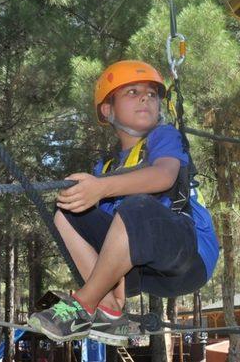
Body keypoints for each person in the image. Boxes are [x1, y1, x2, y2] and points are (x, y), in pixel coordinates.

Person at [28, 60, 219, 345]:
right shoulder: (103, 169)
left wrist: (101, 189)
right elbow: (111, 234)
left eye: (152, 94)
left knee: (136, 206)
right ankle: (109, 310)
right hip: (140, 271)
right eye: (132, 92)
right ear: (108, 110)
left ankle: (83, 305)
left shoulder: (164, 137)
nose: (145, 97)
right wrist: (91, 190)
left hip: (188, 255)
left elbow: (165, 176)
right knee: (68, 210)